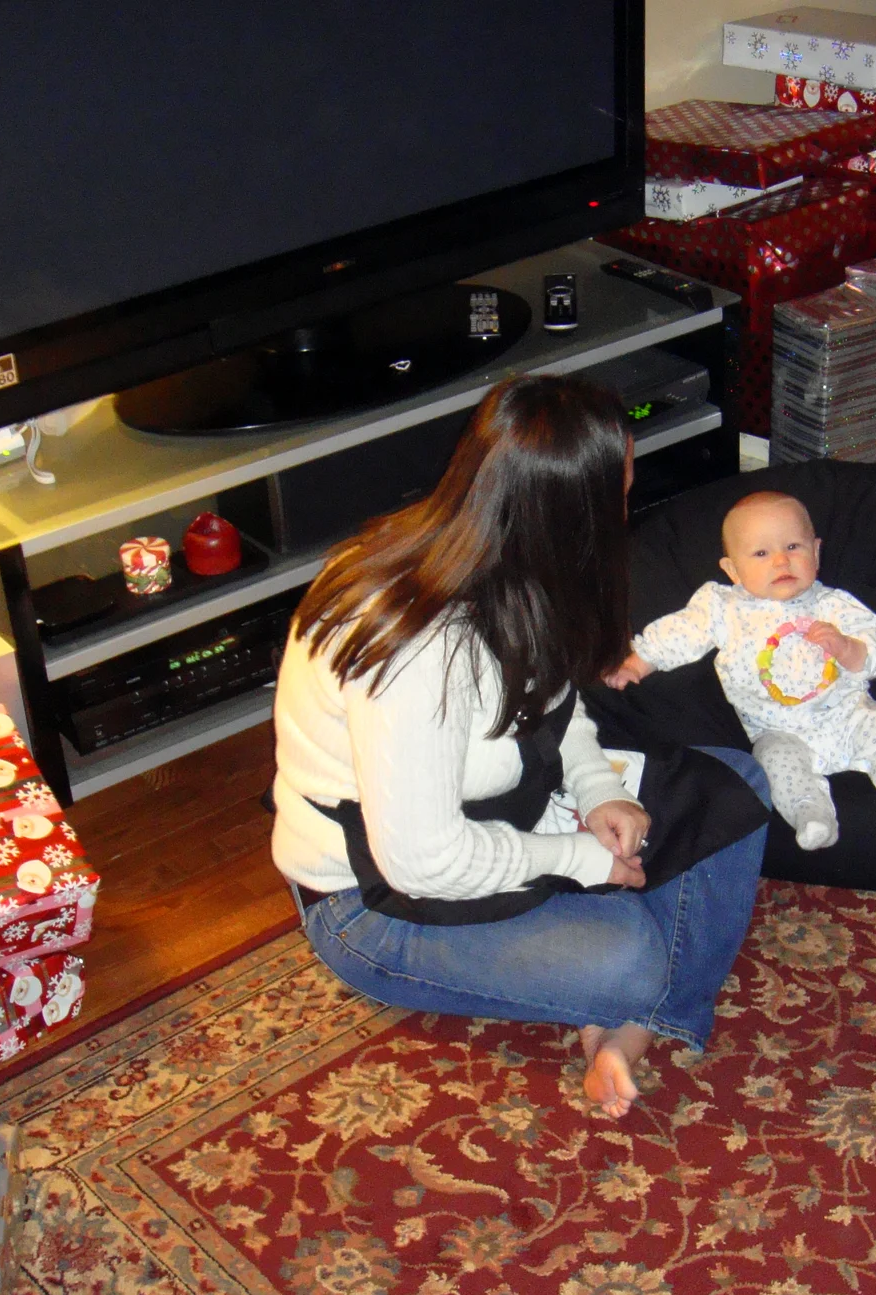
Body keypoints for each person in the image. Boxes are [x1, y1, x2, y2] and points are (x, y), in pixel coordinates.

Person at [271, 375, 769, 1120]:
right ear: (572, 513)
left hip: (511, 812)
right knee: (631, 957)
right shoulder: (418, 649)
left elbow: (556, 703)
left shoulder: (512, 560)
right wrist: (579, 859)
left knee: (737, 781)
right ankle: (639, 1015)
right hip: (375, 902)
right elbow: (421, 862)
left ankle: (623, 1018)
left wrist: (598, 788)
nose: (626, 507)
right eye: (619, 493)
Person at [606, 490, 876, 851]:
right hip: (777, 729)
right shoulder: (724, 608)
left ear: (815, 553)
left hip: (847, 714)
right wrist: (637, 662)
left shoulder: (831, 604)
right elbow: (681, 633)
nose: (781, 561)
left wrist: (846, 647)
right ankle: (812, 815)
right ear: (733, 570)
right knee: (774, 762)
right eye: (761, 553)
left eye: (793, 547)